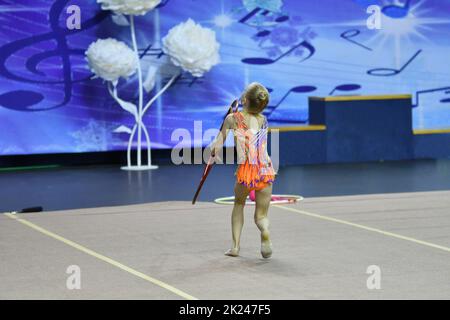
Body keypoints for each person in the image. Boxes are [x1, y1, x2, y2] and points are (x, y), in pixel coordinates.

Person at [211, 82, 276, 259]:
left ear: (245, 99)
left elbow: (217, 145)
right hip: (265, 168)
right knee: (261, 215)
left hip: (247, 170)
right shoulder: (263, 120)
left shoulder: (232, 119)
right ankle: (265, 231)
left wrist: (213, 152)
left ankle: (235, 247)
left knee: (239, 204)